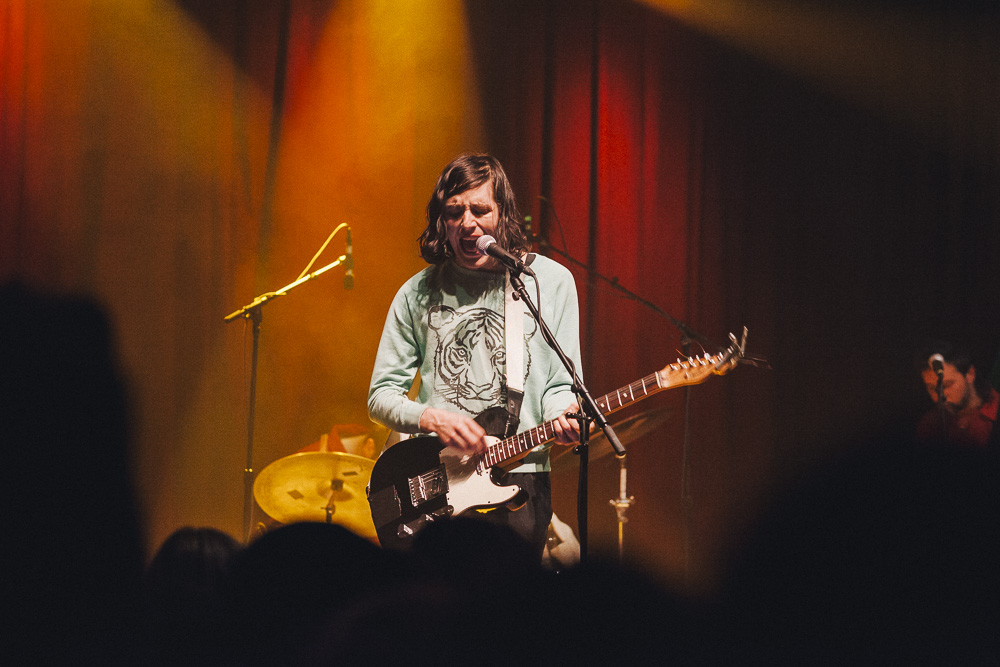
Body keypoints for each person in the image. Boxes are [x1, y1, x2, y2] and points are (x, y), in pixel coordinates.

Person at [367, 153, 582, 557]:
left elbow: (558, 385)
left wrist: (564, 413)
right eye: (454, 212)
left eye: (480, 209)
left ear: (503, 214)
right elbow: (381, 396)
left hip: (523, 479)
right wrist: (432, 418)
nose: (468, 223)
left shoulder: (550, 283)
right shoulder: (417, 293)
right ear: (441, 222)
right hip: (438, 487)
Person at [915, 339, 999, 451]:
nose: (939, 396)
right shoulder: (930, 424)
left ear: (970, 374)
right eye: (931, 388)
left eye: (947, 385)